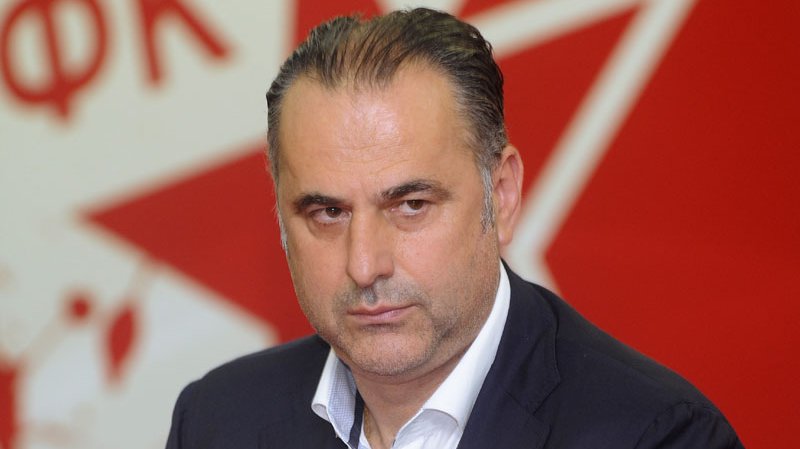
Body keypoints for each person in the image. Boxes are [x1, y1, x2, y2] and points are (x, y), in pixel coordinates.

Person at [165, 8, 743, 449]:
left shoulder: (656, 436)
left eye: (411, 205)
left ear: (502, 195)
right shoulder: (216, 422)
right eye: (328, 213)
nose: (364, 265)